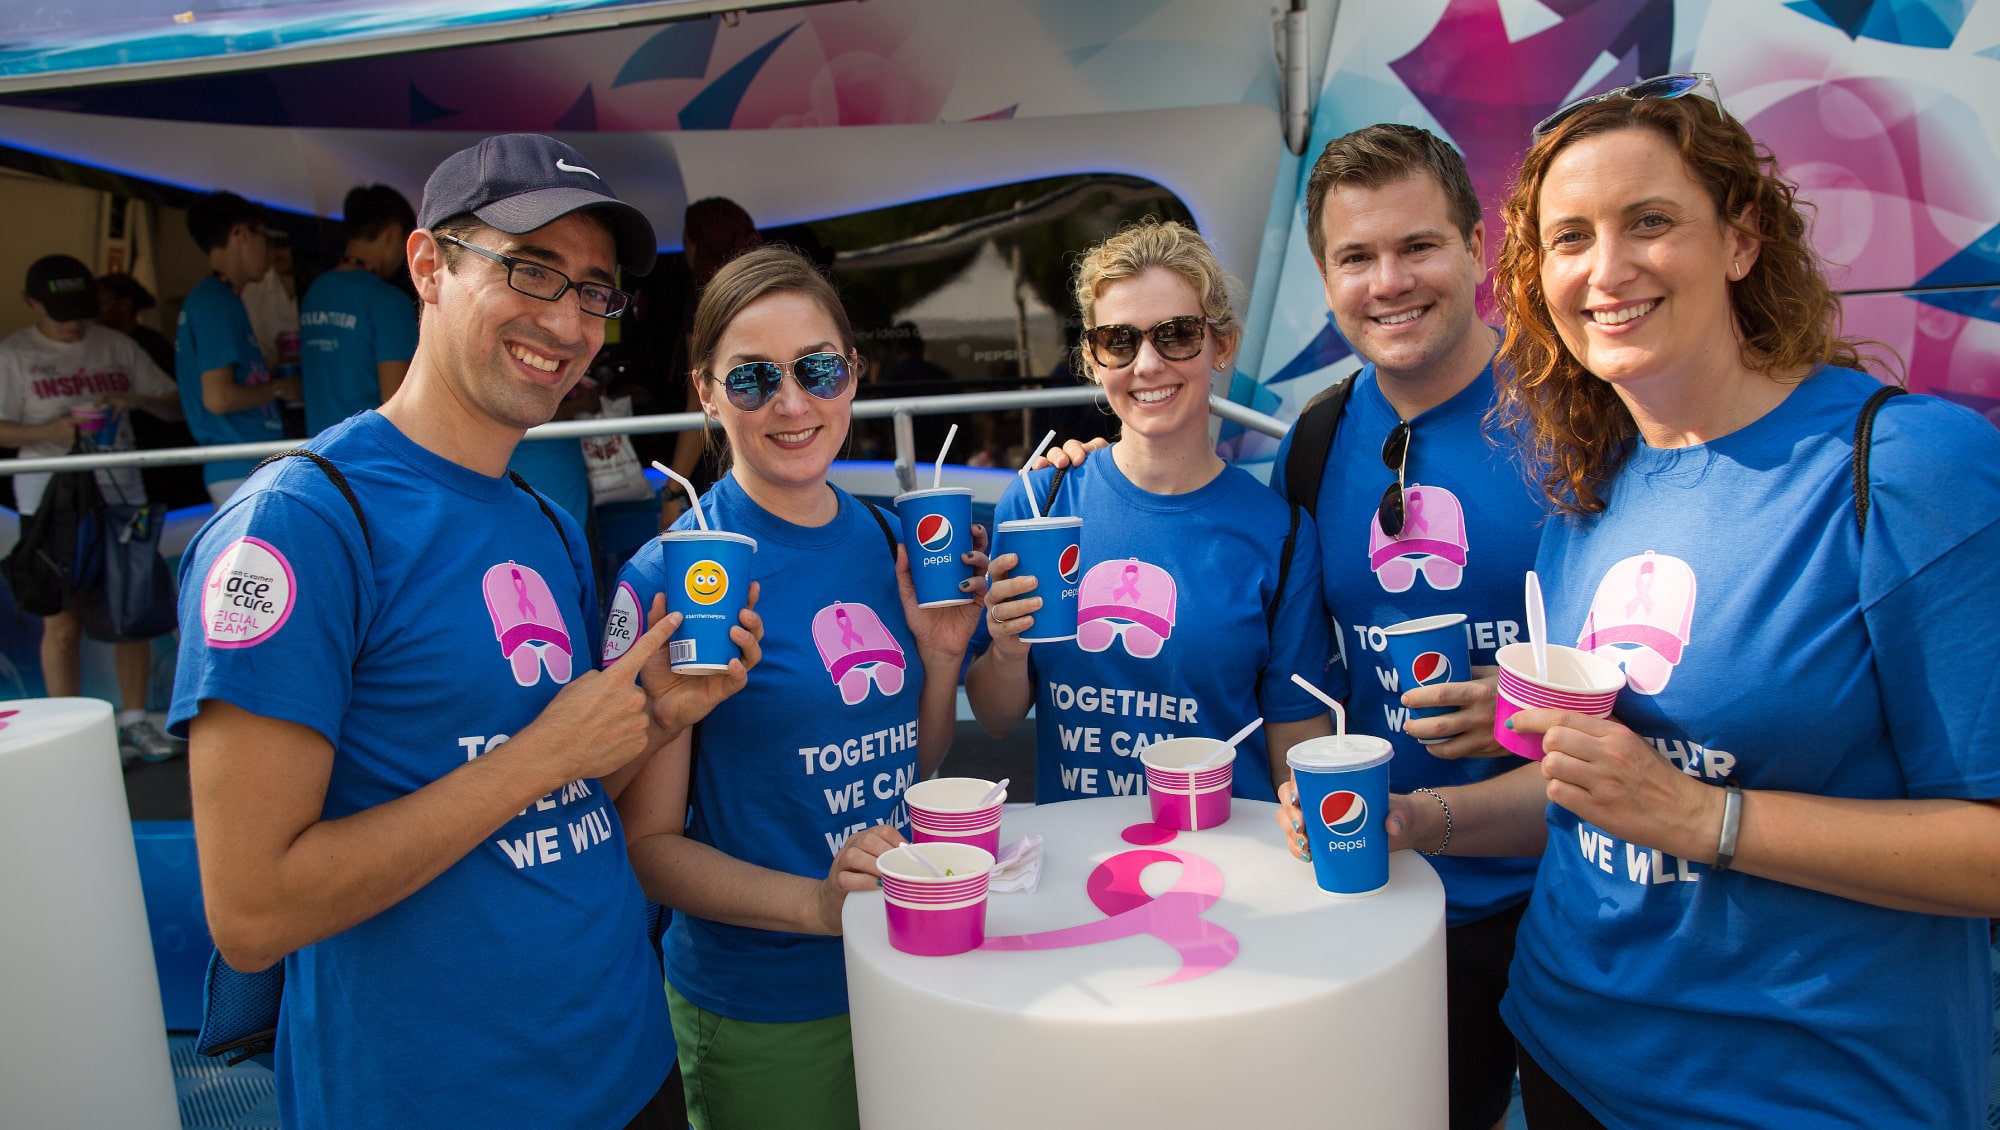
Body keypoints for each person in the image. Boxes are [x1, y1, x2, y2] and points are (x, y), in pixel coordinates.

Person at [1399, 77, 2000, 1126]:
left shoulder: (1903, 466)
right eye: (1569, 239)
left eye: (1649, 222)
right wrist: (1417, 819)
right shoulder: (1589, 496)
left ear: (1738, 238)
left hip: (1803, 1092)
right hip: (1564, 1052)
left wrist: (1703, 818)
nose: (1607, 268)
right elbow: (1593, 795)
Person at [169, 133, 763, 1129]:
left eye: (593, 290)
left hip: (627, 1057)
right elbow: (253, 909)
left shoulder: (539, 518)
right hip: (437, 1095)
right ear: (428, 265)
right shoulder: (302, 524)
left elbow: (563, 788)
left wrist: (652, 717)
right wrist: (542, 754)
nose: (566, 319)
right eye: (530, 270)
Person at [612, 244, 984, 1130]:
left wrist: (939, 663)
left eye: (818, 369)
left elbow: (906, 765)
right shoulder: (676, 577)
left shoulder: (888, 540)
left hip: (912, 965)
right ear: (705, 392)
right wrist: (818, 906)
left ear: (853, 374)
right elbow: (649, 848)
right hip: (764, 1006)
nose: (792, 402)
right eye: (753, 380)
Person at [1267, 124, 1544, 1130]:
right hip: (1400, 891)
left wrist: (1527, 708)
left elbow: (1672, 659)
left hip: (1578, 895)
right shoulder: (1314, 442)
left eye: (1416, 246)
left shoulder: (1576, 412)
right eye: (1355, 256)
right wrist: (1306, 804)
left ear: (1476, 246)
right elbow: (1298, 682)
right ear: (1323, 275)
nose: (1388, 281)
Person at [965, 219, 1334, 806]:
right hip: (1085, 867)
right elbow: (994, 717)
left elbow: (1297, 744)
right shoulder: (1039, 502)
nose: (1147, 364)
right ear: (1093, 357)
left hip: (1228, 863)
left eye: (1177, 334)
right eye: (1119, 340)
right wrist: (1008, 651)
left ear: (1222, 344)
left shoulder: (1282, 533)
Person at [0, 254, 185, 763]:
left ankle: (135, 721)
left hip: (121, 493)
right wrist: (47, 432)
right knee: (61, 621)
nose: (73, 322)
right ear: (32, 303)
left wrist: (132, 401)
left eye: (81, 309)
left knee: (133, 608)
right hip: (51, 502)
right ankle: (66, 738)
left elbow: (174, 401)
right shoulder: (14, 355)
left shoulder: (115, 343)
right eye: (60, 312)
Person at [176, 191, 299, 506]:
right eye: (265, 238)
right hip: (240, 464)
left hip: (242, 464)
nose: (269, 250)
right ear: (240, 234)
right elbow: (219, 397)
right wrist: (281, 388)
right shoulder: (215, 302)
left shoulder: (218, 299)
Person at [658, 196, 763, 532]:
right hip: (766, 454)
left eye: (686, 239)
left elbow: (698, 407)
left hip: (722, 463)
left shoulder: (705, 304)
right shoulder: (764, 294)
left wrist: (672, 491)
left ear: (698, 245)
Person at [300, 184, 418, 436]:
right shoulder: (388, 302)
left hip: (316, 457)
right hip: (368, 460)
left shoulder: (315, 292)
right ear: (393, 234)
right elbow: (397, 401)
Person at [97, 271, 207, 510]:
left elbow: (177, 402)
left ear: (124, 304)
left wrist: (133, 401)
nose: (94, 312)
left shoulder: (148, 345)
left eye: (101, 303)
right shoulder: (106, 346)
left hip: (163, 453)